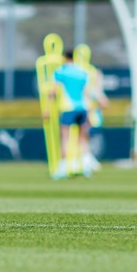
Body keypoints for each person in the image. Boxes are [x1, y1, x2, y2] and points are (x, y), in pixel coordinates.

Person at [52, 50, 98, 179]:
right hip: (83, 108)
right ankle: (86, 167)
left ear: (65, 58)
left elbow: (53, 91)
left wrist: (48, 106)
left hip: (68, 108)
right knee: (83, 139)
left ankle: (62, 169)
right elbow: (87, 92)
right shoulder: (82, 72)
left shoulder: (60, 71)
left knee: (65, 138)